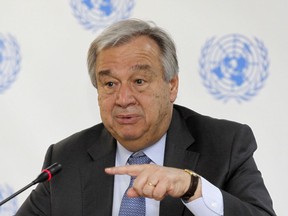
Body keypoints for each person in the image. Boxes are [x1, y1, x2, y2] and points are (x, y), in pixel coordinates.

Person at [16, 19, 276, 216]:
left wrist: (192, 187)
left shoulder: (225, 145)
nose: (123, 98)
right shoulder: (66, 159)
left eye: (139, 81)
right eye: (109, 84)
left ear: (171, 86)